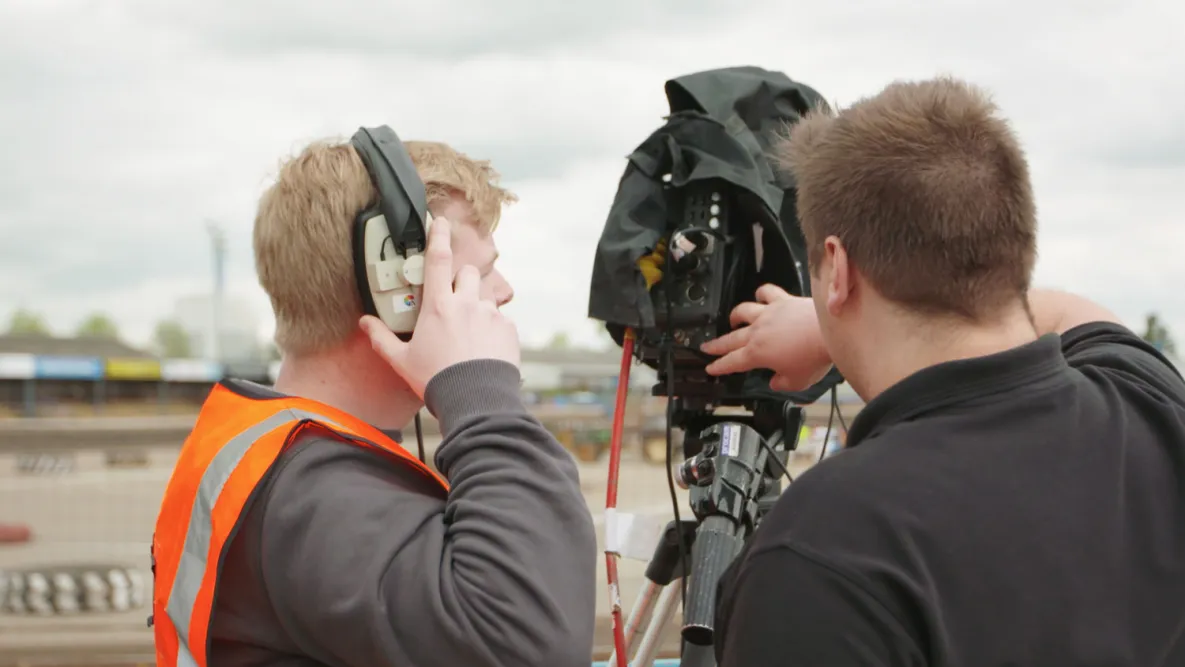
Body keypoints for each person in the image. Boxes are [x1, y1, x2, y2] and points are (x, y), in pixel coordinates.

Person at [701, 77, 1185, 666]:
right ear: (1012, 245)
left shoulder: (825, 548)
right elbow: (1074, 313)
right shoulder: (1148, 403)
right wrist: (825, 317)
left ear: (838, 266)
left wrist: (827, 321)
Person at [150, 139, 597, 667]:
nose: (503, 290)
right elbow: (533, 645)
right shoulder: (315, 496)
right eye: (479, 271)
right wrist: (480, 393)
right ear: (397, 292)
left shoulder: (284, 456)